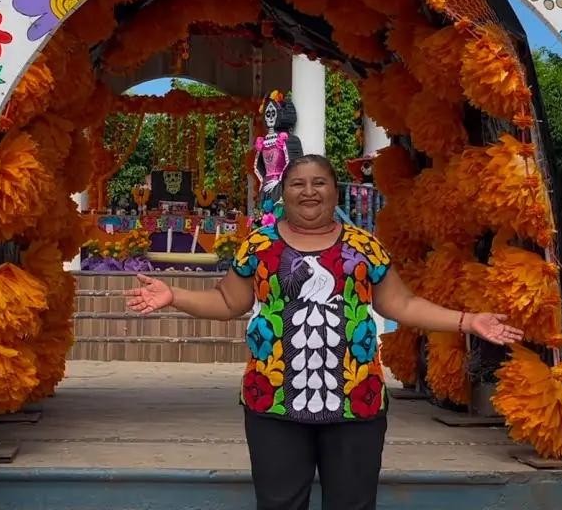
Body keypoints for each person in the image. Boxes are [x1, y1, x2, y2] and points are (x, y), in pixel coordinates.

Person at [125, 154, 524, 510]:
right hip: (274, 401)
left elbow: (401, 304)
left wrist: (467, 321)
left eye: (319, 182)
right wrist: (174, 295)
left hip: (355, 401)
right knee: (279, 503)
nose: (309, 191)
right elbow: (228, 301)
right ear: (283, 193)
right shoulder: (259, 245)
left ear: (335, 192)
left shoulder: (364, 247)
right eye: (297, 183)